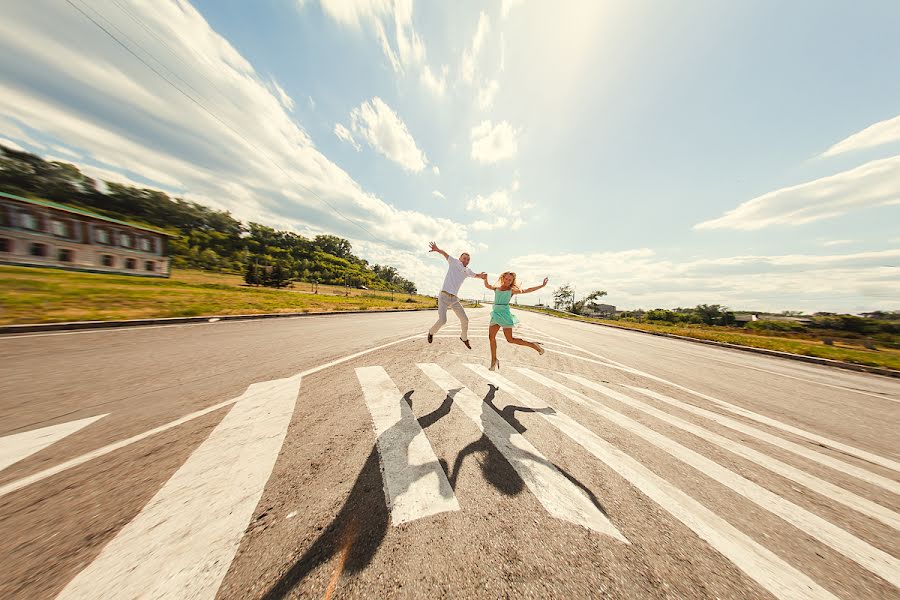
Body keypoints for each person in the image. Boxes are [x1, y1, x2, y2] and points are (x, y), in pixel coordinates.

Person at [481, 271, 548, 370]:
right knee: (491, 338)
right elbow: (487, 285)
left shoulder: (511, 290)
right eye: (506, 278)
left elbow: (527, 290)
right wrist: (485, 279)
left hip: (504, 315)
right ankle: (494, 360)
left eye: (510, 280)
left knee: (510, 339)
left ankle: (534, 345)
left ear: (512, 281)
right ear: (503, 277)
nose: (507, 281)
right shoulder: (496, 288)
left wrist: (542, 286)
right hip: (495, 314)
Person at [427, 241, 486, 348]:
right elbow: (445, 254)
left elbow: (476, 275)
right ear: (460, 258)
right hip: (444, 296)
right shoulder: (454, 262)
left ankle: (464, 338)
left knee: (465, 320)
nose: (466, 260)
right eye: (464, 258)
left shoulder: (467, 271)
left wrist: (481, 276)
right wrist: (437, 249)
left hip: (454, 299)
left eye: (468, 259)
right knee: (443, 320)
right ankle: (431, 332)